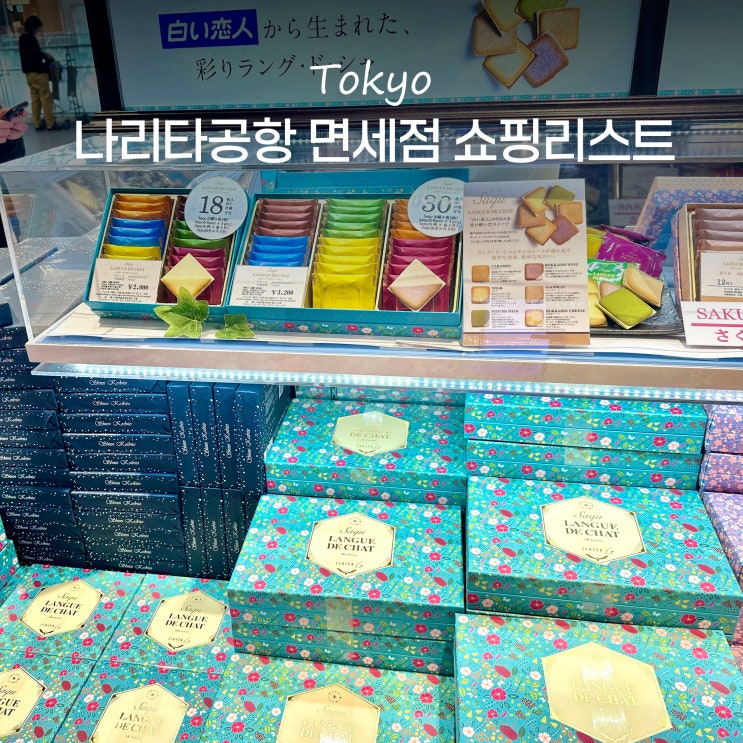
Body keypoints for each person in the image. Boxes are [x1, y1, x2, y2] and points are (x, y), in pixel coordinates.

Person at [18, 15, 59, 131]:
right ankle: (50, 123)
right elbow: (36, 56)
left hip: (29, 74)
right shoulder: (31, 38)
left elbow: (29, 56)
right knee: (46, 98)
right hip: (39, 73)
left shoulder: (22, 38)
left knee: (35, 99)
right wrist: (46, 57)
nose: (38, 31)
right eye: (38, 28)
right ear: (34, 27)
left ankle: (37, 123)